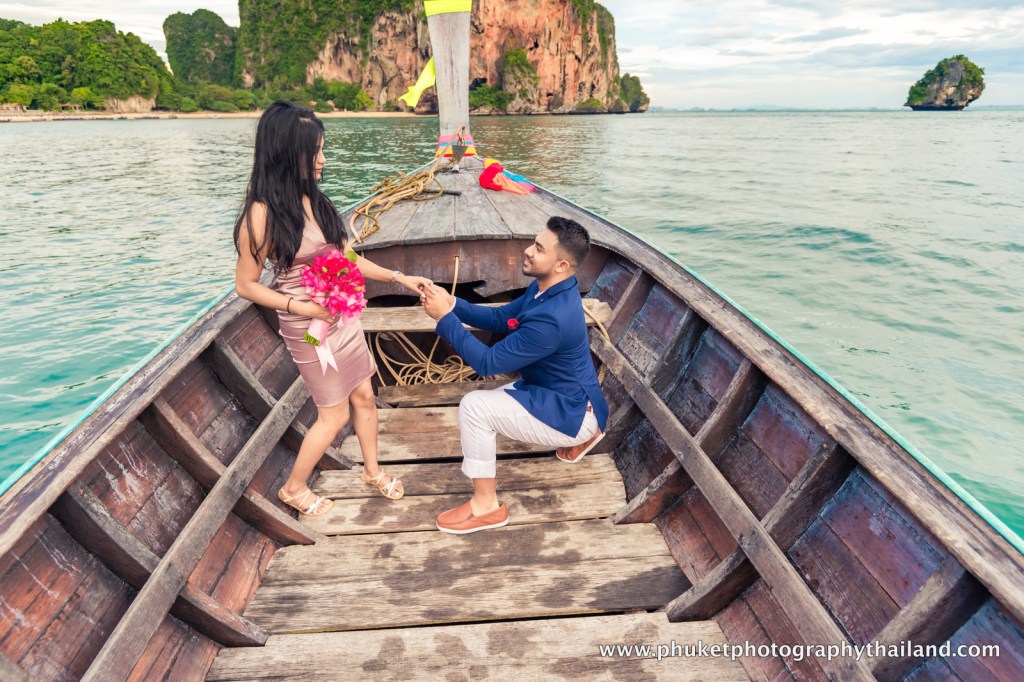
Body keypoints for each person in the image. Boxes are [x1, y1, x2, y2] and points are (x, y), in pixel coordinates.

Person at [233, 101, 432, 516]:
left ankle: (372, 471)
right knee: (334, 413)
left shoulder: (316, 201)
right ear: (289, 154)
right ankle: (293, 487)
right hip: (309, 330)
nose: (323, 160)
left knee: (364, 394)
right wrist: (300, 307)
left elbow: (350, 259)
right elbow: (246, 286)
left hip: (341, 317)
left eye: (323, 150)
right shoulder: (261, 215)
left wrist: (400, 279)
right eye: (315, 152)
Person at [421, 216, 609, 534]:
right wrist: (452, 303)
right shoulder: (547, 288)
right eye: (533, 242)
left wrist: (444, 318)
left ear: (562, 265)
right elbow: (502, 317)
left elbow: (487, 363)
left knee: (474, 407)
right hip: (569, 397)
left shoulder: (552, 318)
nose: (527, 251)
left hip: (571, 412)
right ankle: (588, 432)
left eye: (538, 248)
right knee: (488, 402)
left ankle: (486, 507)